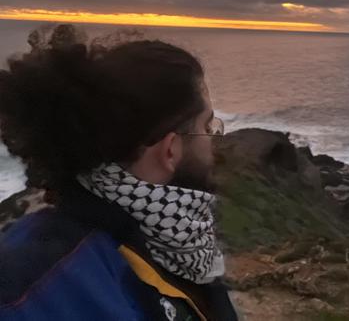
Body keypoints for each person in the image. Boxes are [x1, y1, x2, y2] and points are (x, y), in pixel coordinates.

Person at [0, 24, 238, 321]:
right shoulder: (37, 288)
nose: (215, 141)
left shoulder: (171, 237)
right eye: (207, 127)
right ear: (170, 150)